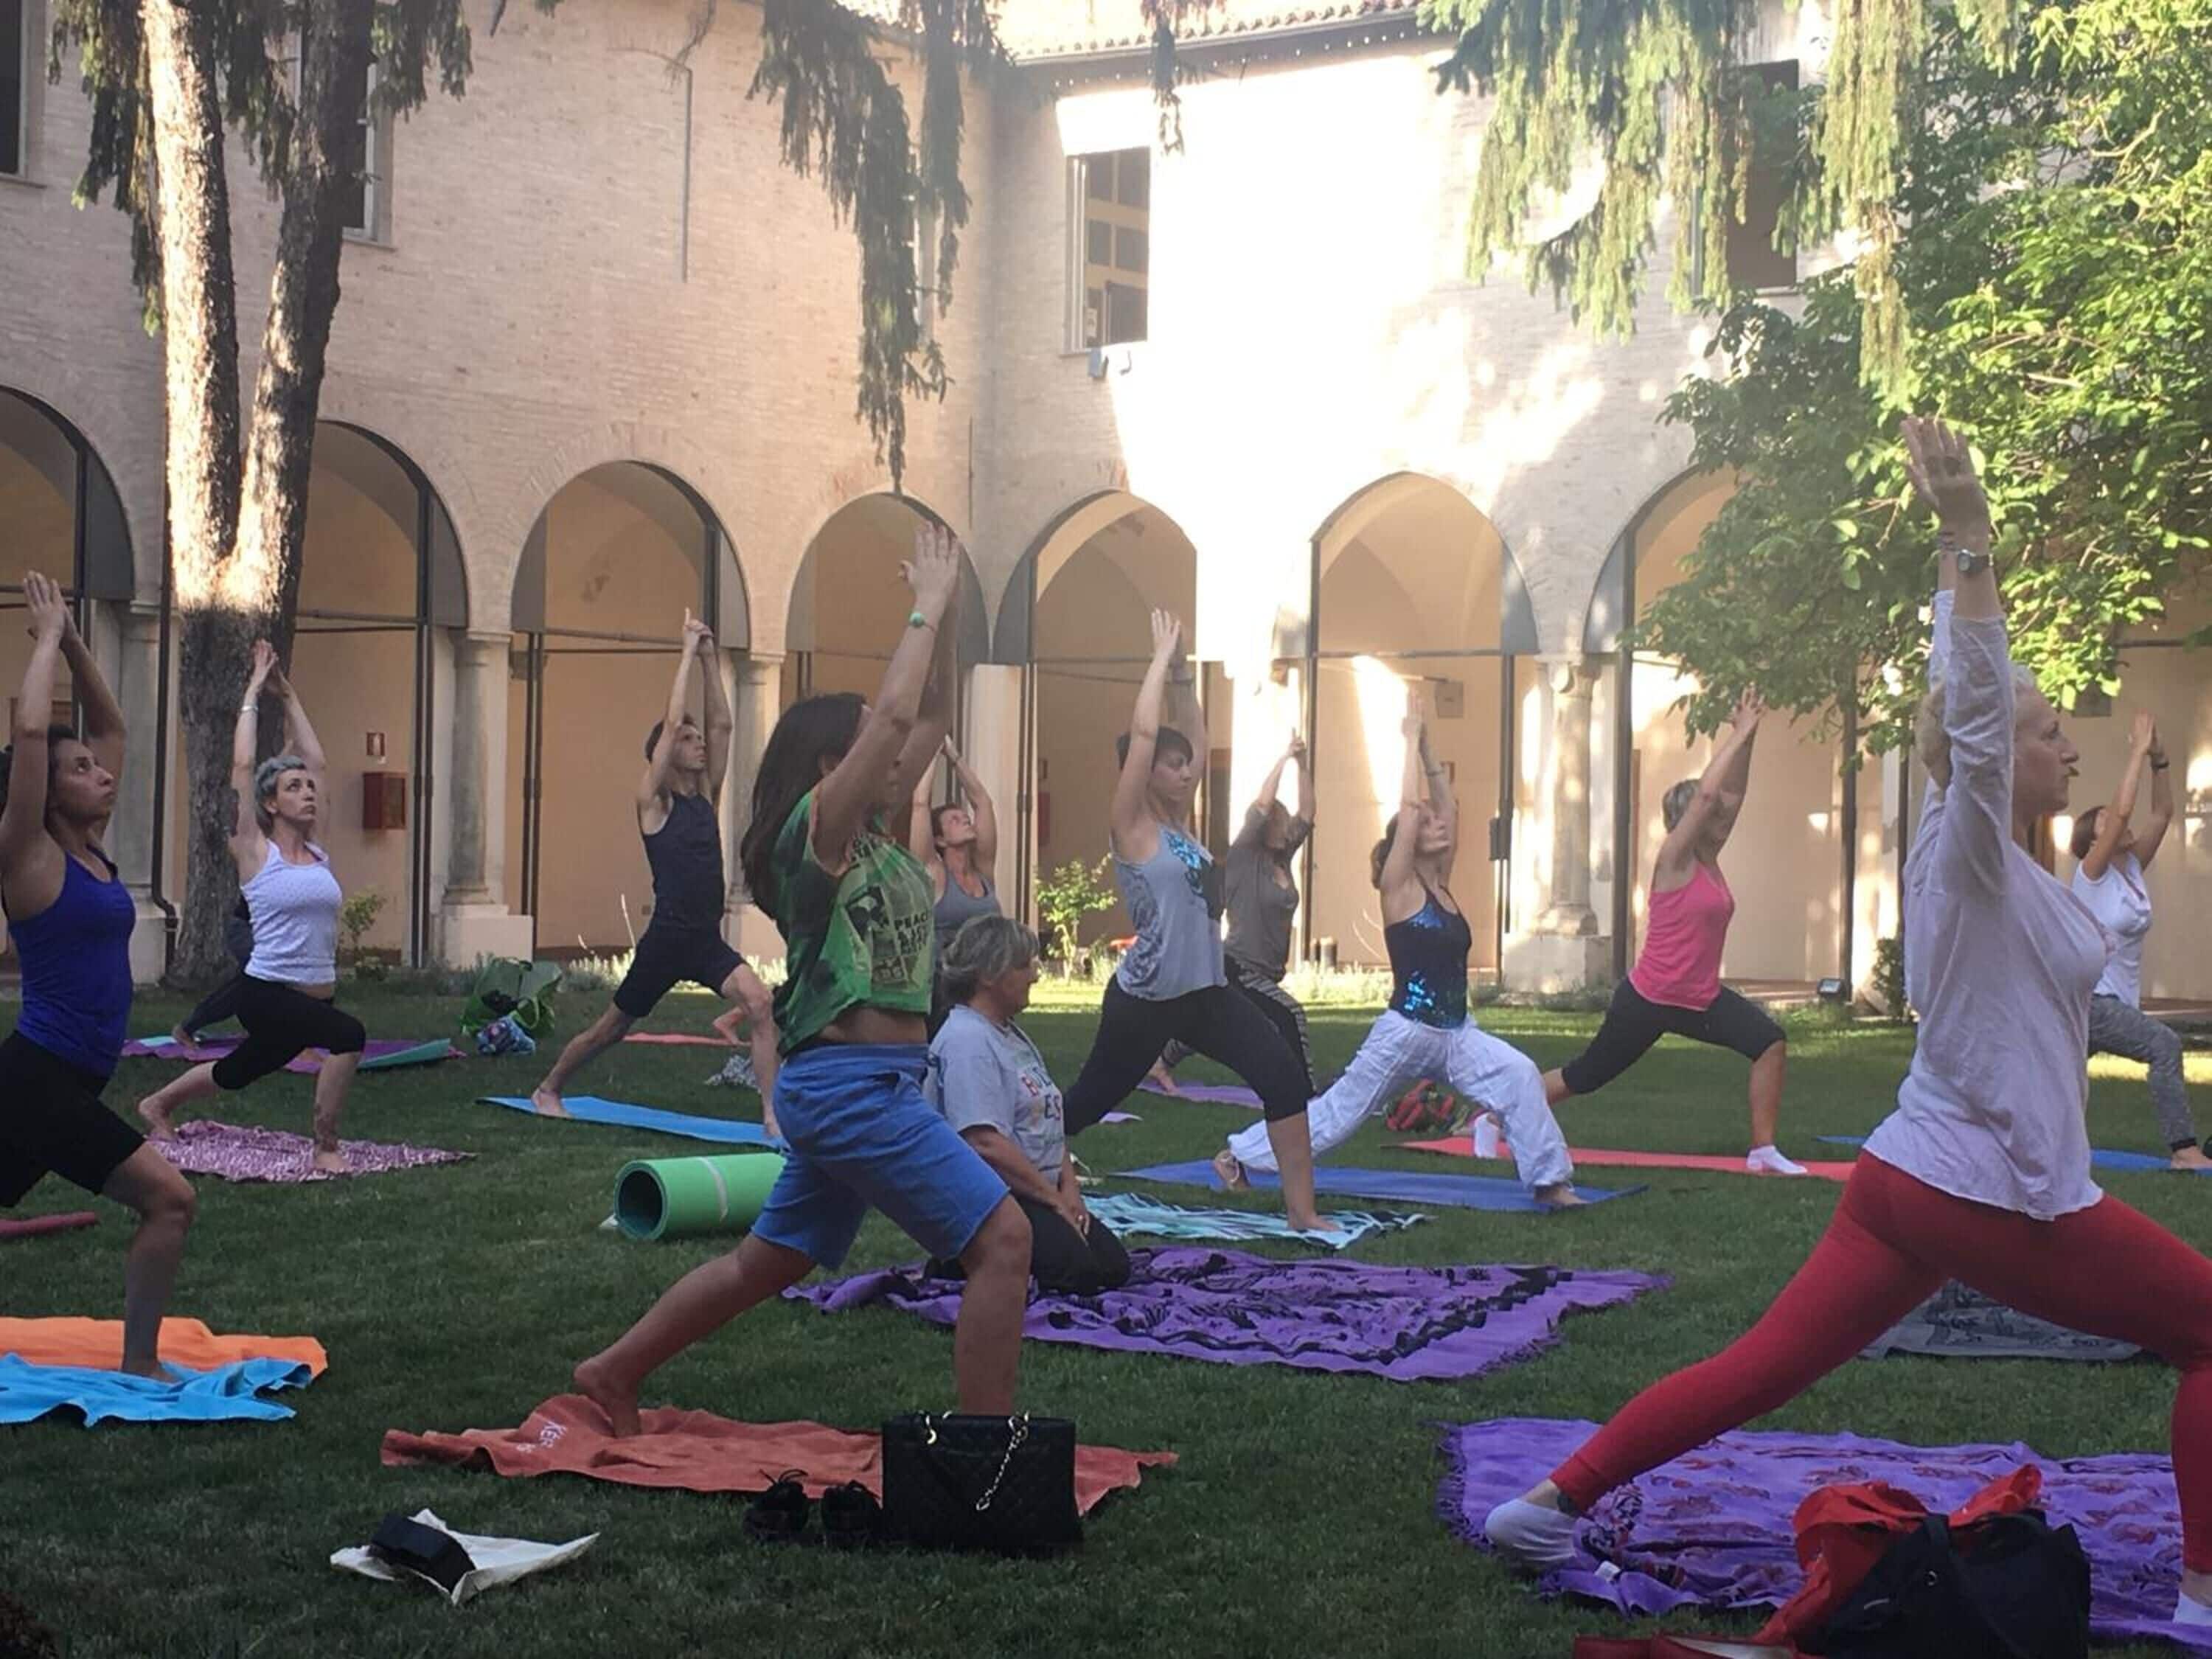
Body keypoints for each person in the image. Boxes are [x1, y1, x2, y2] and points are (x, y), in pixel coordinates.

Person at [1483, 417, 2212, 1630]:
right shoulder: (1968, 849)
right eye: (2047, 734)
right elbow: (1973, 711)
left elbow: (2028, 782)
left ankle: (1549, 1505)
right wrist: (1966, 541)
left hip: (1910, 1178)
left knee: (1759, 1369)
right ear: (1991, 759)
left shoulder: (2019, 875)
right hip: (1982, 1183)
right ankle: (2201, 1604)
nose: (2063, 746)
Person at [573, 524, 1032, 1433]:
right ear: (832, 765)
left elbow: (924, 715)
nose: (889, 754)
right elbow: (899, 719)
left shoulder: (876, 836)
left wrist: (944, 616)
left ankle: (611, 1371)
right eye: (867, 745)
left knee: (762, 1266)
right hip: (852, 1091)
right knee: (1005, 1241)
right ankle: (986, 1454)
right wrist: (920, 607)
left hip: (870, 1088)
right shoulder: (813, 838)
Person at [1215, 688, 1581, 1208]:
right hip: (1406, 1032)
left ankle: (1551, 1183)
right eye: (1426, 823)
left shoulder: (1441, 882)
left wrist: (1429, 748)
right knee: (1340, 1113)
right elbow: (1410, 811)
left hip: (1456, 1033)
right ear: (1405, 841)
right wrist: (1408, 741)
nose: (1438, 824)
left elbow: (1446, 806)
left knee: (1520, 1074)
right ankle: (1238, 1155)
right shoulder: (1399, 885)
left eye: (1438, 823)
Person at [1059, 611, 1326, 1230]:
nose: (1185, 771)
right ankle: (999, 1158)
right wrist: (1157, 659)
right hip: (1146, 999)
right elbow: (1145, 733)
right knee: (1088, 1104)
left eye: (1186, 766)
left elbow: (1196, 740)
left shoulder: (1181, 827)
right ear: (1145, 772)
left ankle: (1302, 1214)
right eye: (1171, 764)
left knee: (1282, 1077)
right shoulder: (1133, 825)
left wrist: (1183, 674)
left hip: (1207, 991)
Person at [0, 572, 195, 1376]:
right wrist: (43, 640)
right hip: (37, 1078)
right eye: (81, 768)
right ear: (48, 787)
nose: (103, 773)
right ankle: (141, 1364)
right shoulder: (29, 851)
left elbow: (111, 723)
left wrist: (76, 638)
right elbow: (32, 736)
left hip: (65, 1080)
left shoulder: (90, 846)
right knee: (171, 1200)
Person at [1535, 692, 1806, 1176]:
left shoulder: (1709, 860)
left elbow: (1732, 795)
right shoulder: (1673, 861)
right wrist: (1736, 734)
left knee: (1769, 1041)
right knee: (1585, 1076)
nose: (1724, 821)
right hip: (1650, 999)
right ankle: (1492, 1115)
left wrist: (1751, 737)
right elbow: (1708, 797)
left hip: (1700, 1001)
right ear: (1692, 821)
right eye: (1714, 816)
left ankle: (1763, 1151)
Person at [529, 613, 778, 1135]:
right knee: (611, 1028)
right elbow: (668, 728)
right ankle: (549, 1087)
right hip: (666, 940)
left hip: (706, 941)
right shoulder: (653, 805)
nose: (699, 743)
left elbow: (724, 724)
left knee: (760, 1003)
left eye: (695, 738)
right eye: (689, 740)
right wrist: (685, 651)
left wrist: (712, 658)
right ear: (664, 757)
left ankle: (773, 1116)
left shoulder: (706, 796)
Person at [139, 643, 364, 1172]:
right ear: (270, 803)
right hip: (266, 992)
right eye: (293, 787)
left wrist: (287, 694)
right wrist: (251, 693)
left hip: (314, 995)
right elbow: (242, 766)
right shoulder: (253, 851)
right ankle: (327, 1146)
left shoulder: (318, 851)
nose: (308, 792)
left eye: (309, 787)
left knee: (239, 1071)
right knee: (348, 1037)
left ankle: (157, 1103)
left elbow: (319, 759)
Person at [928, 914, 1130, 1293]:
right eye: (1025, 966)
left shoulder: (1008, 1034)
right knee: (1077, 1275)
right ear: (990, 975)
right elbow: (984, 1143)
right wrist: (1053, 1200)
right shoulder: (968, 1041)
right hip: (994, 1196)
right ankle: (956, 1262)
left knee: (1113, 1268)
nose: (1036, 975)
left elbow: (1047, 1118)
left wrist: (1069, 1190)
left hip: (1034, 1190)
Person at [2070, 712, 2207, 1169]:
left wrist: (2161, 761)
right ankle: (2184, 1150)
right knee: (2163, 1045)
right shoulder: (2090, 875)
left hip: (2115, 1003)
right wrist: (2135, 750)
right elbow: (2125, 810)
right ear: (2093, 842)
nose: (2116, 819)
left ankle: (2036, 1145)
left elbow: (2162, 813)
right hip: (2092, 1000)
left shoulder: (2130, 870)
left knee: (2054, 1076)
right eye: (2105, 821)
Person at [1147, 732, 1315, 1096]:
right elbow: (1260, 806)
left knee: (1216, 1020)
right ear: (1266, 827)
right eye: (1279, 824)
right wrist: (1284, 758)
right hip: (1239, 964)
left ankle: (1161, 1060)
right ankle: (1307, 1093)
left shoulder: (1281, 858)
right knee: (1291, 1016)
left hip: (1266, 969)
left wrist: (1302, 765)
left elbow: (1308, 813)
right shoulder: (1244, 855)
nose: (1288, 831)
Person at [911, 734, 1001, 1034]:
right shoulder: (934, 875)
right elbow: (920, 804)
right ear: (939, 839)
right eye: (953, 820)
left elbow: (983, 802)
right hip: (945, 992)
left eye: (964, 817)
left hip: (988, 987)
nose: (965, 819)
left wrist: (953, 755)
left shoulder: (983, 871)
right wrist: (931, 755)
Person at [170, 897, 252, 1051]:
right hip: (247, 927)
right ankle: (187, 1027)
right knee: (252, 983)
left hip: (263, 929)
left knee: (253, 985)